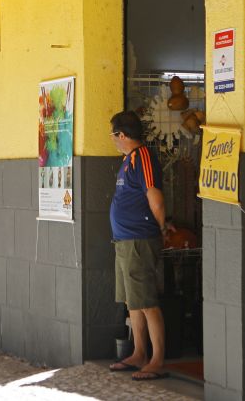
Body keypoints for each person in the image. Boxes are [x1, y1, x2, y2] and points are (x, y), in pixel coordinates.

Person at [107, 111, 174, 381]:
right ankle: (138, 353)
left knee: (146, 301)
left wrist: (160, 226)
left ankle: (157, 360)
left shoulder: (142, 156)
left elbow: (154, 196)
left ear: (122, 135)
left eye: (113, 135)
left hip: (139, 241)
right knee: (132, 302)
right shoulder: (128, 160)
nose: (113, 140)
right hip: (124, 241)